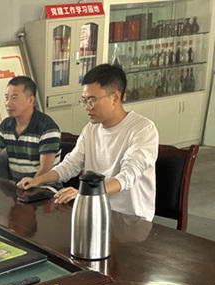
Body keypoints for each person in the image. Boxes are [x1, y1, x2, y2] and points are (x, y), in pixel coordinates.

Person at [18, 64, 158, 221]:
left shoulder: (143, 129)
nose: (86, 107)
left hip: (131, 219)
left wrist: (86, 193)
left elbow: (128, 176)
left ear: (115, 97)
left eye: (92, 100)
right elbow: (70, 165)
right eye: (84, 101)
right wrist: (38, 180)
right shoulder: (91, 129)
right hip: (94, 210)